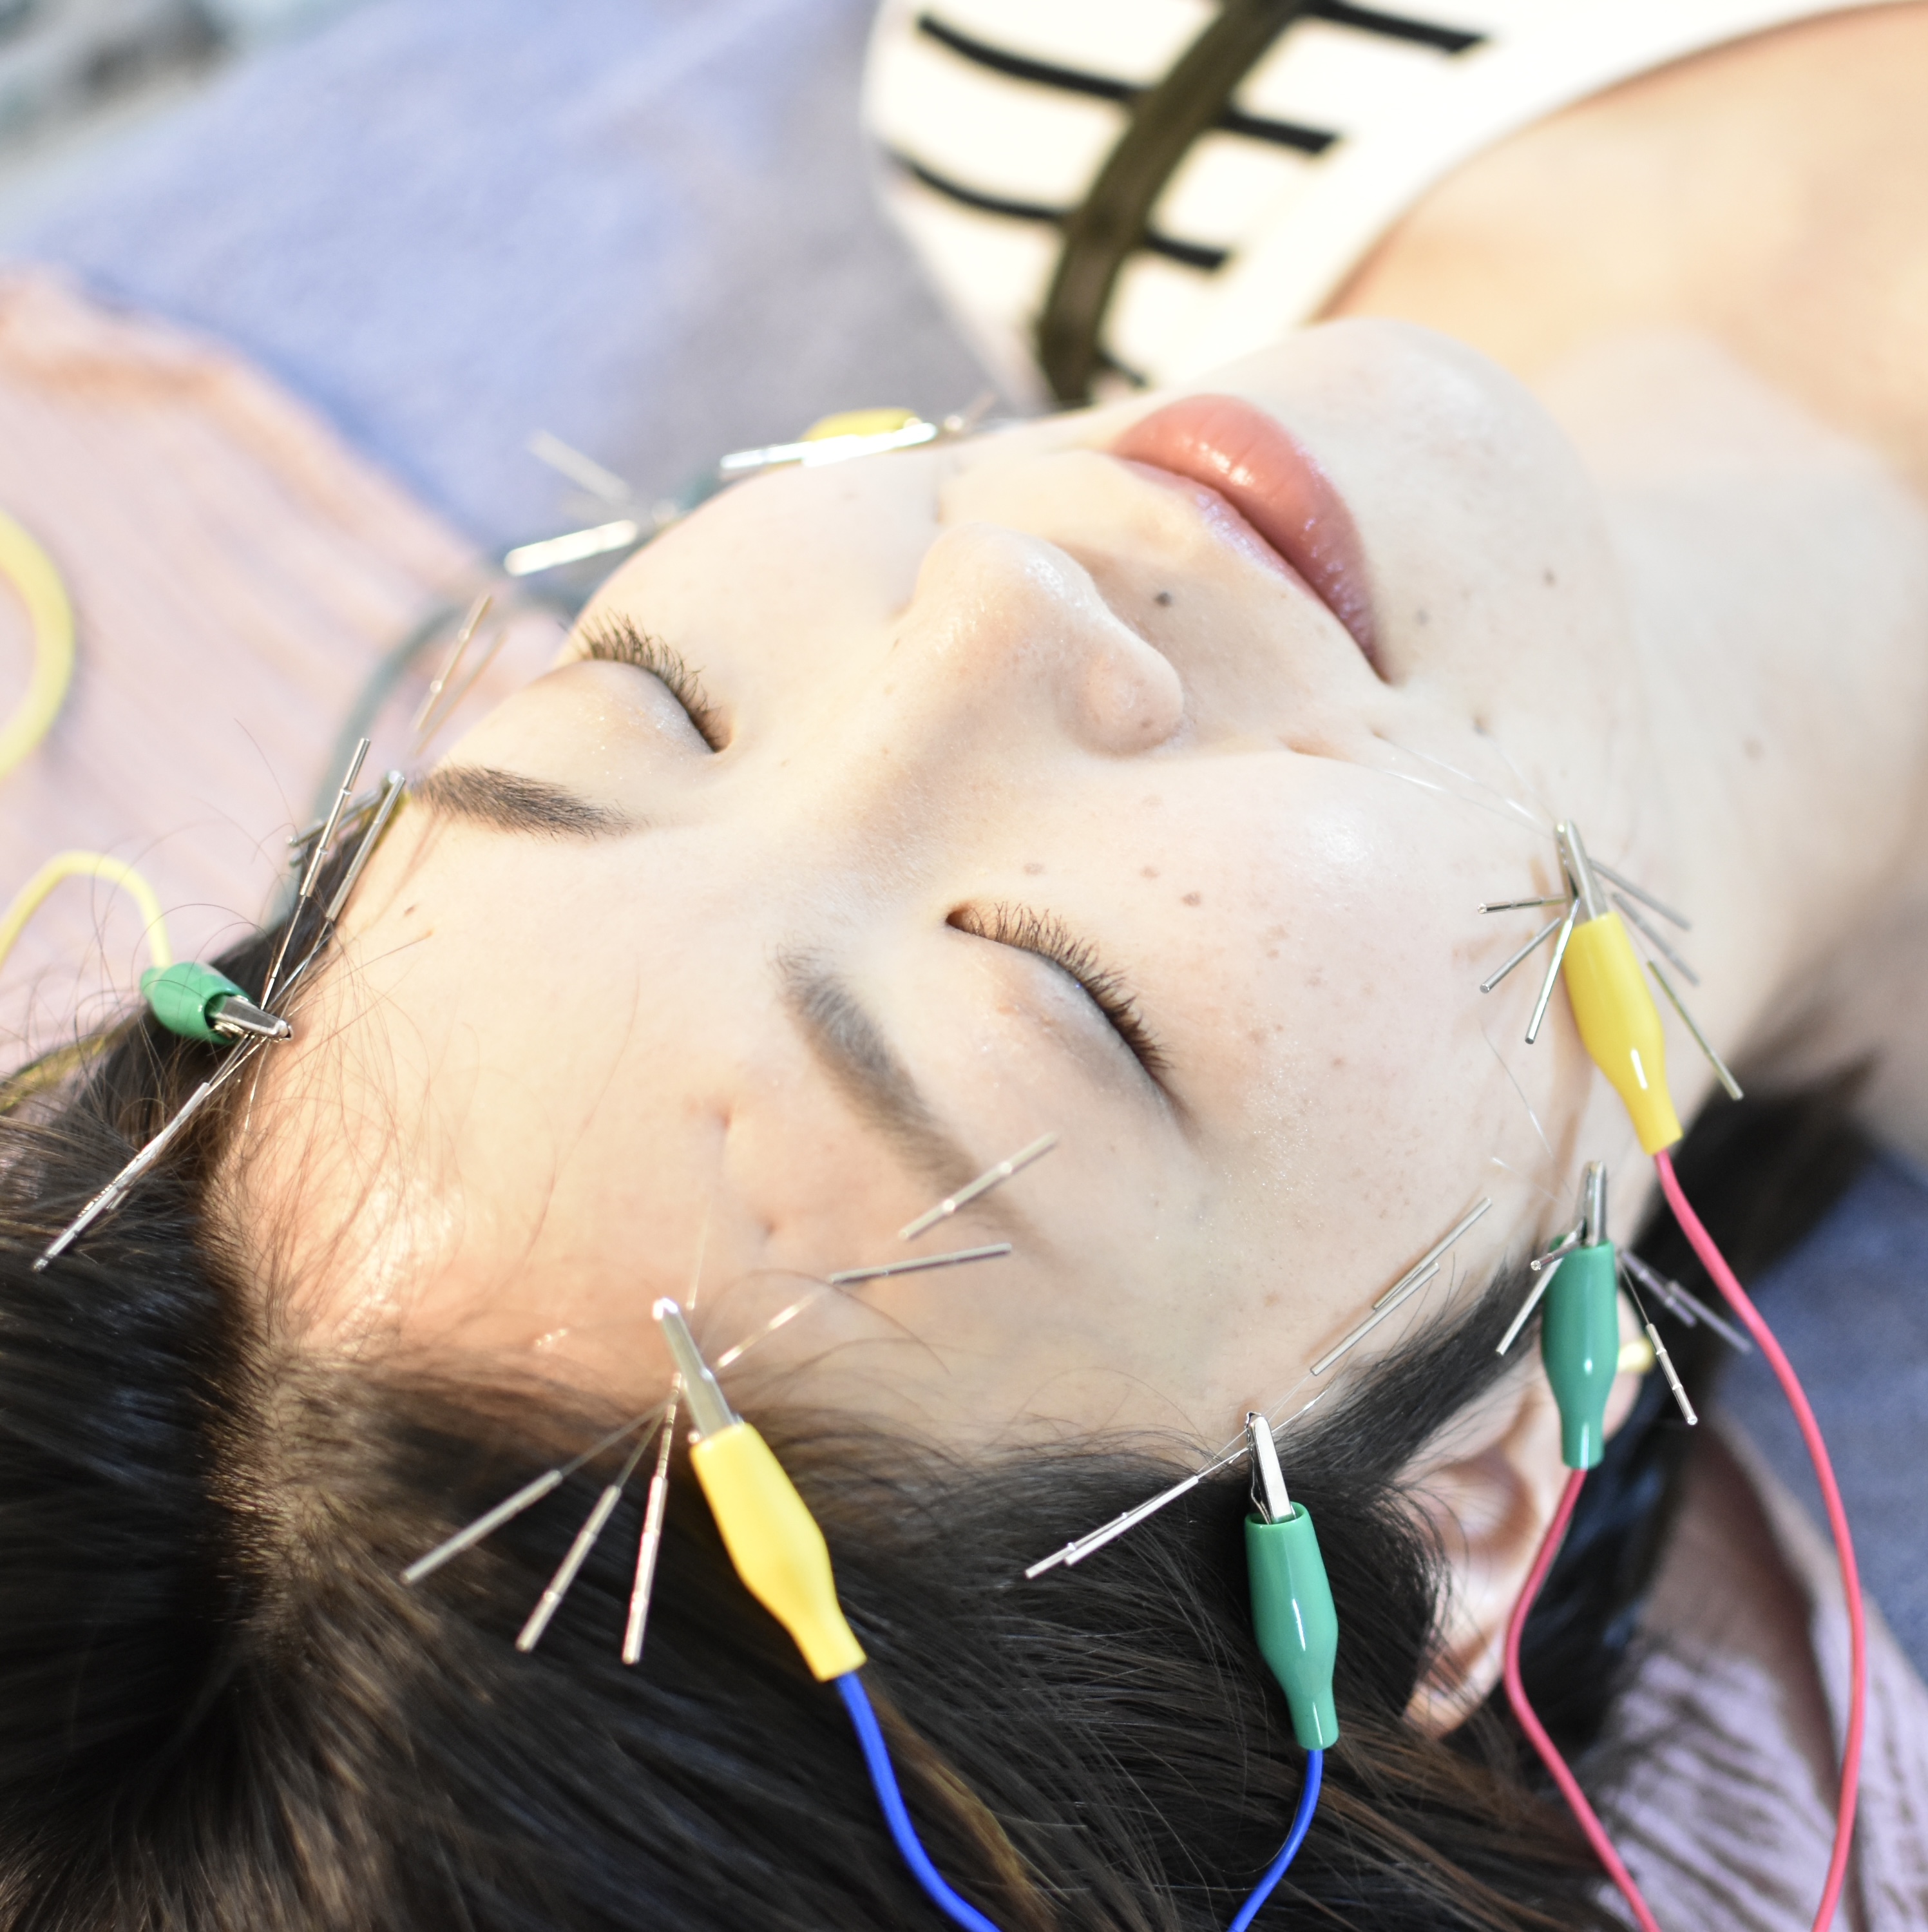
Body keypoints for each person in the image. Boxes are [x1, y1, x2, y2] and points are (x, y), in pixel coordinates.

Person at [3, 6, 1927, 1929]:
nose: (987, 599)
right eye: (1071, 998)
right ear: (1467, 1496)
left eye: (660, 704)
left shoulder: (1050, 59)